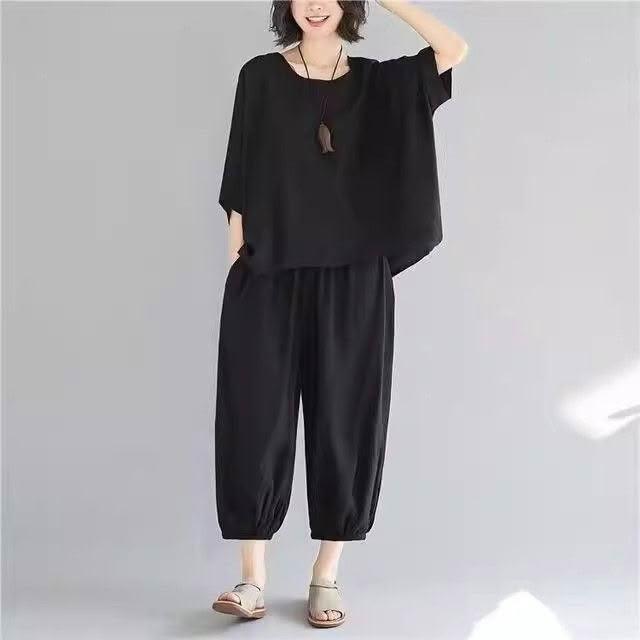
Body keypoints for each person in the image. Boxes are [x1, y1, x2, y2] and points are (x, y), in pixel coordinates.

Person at [211, 0, 468, 628]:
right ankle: (251, 579)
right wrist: (238, 251)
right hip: (269, 271)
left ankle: (326, 576)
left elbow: (452, 50)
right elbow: (240, 169)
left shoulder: (381, 84)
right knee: (254, 418)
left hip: (354, 278)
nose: (316, 3)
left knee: (347, 422)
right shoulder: (259, 76)